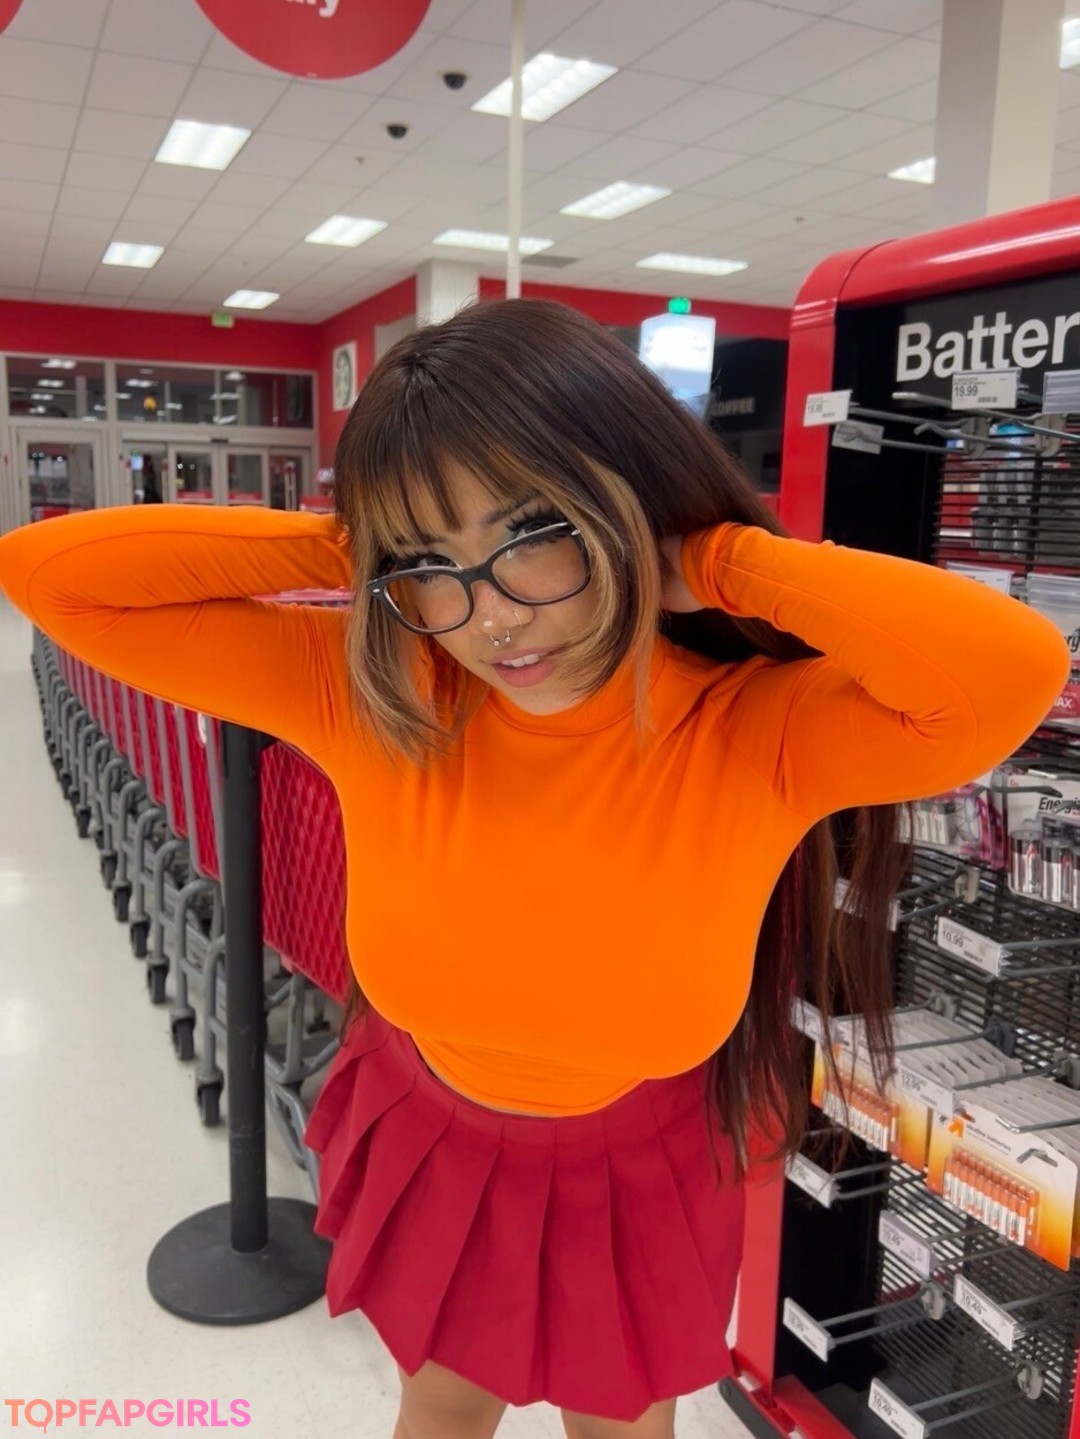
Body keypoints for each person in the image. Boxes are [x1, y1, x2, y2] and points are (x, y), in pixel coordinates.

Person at [0, 300, 1068, 1439]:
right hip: (433, 1135)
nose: (495, 615)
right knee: (444, 1403)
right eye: (433, 562)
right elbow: (51, 576)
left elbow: (1008, 672)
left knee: (620, 1423)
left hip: (646, 1163)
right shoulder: (379, 689)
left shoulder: (753, 728)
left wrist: (717, 558)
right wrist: (361, 544)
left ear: (629, 503)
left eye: (534, 531)